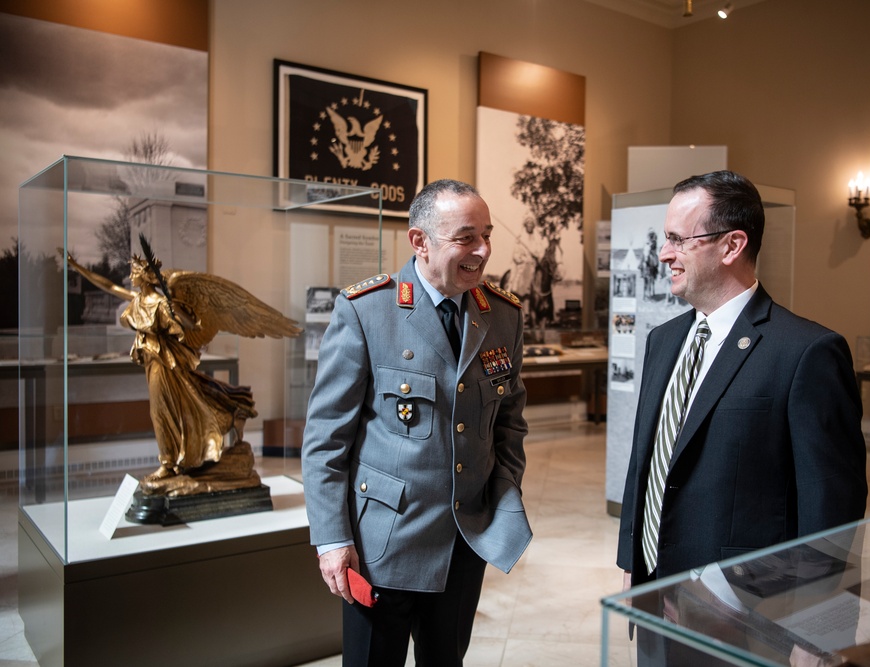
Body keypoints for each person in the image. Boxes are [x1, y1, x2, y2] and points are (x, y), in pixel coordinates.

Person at [616, 170, 868, 663]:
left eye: (677, 240)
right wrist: (632, 561)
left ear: (732, 245)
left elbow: (830, 510)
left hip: (743, 615)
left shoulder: (806, 353)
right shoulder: (663, 341)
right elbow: (647, 462)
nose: (664, 254)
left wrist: (817, 630)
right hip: (655, 595)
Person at [301, 179, 532, 667]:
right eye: (466, 237)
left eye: (487, 235)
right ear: (420, 241)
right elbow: (326, 441)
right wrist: (333, 539)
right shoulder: (367, 311)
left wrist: (502, 496)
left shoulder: (503, 316)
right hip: (382, 544)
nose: (483, 250)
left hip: (464, 542)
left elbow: (510, 422)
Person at [63, 237, 300, 496]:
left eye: (134, 272)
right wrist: (78, 267)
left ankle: (169, 465)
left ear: (145, 276)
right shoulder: (138, 300)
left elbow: (192, 325)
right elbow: (108, 286)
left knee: (162, 413)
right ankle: (176, 463)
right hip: (154, 365)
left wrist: (176, 308)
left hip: (167, 368)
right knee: (167, 413)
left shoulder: (163, 305)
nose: (130, 275)